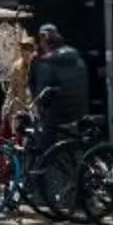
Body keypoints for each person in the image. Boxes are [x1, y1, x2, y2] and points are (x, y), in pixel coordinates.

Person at [28, 25, 87, 153]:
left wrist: (39, 105)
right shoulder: (75, 57)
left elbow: (42, 89)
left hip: (55, 114)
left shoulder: (45, 62)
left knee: (43, 151)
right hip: (77, 112)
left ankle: (41, 170)